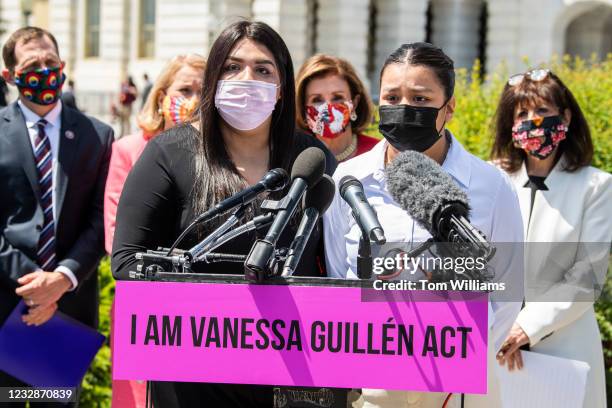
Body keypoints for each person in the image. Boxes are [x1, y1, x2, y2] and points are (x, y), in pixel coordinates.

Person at [111, 20, 336, 407]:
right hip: (193, 372)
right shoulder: (169, 153)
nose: (246, 79)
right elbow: (127, 260)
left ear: (281, 89)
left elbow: (336, 263)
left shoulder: (312, 160)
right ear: (213, 79)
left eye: (263, 69)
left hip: (293, 372)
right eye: (232, 67)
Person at [323, 42, 524, 407]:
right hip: (371, 386)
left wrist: (459, 359)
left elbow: (506, 291)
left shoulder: (491, 187)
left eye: (420, 99)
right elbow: (339, 275)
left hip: (458, 387)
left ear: (449, 107)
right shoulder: (348, 180)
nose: (404, 109)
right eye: (392, 97)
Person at [0, 26, 113, 401]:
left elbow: (100, 221)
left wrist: (61, 280)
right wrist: (36, 284)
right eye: (33, 64)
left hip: (69, 308)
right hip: (7, 303)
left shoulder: (98, 135)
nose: (45, 70)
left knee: (59, 401)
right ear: (10, 75)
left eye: (51, 61)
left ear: (63, 66)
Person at [491, 69, 610, 408]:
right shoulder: (494, 178)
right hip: (497, 342)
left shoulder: (596, 187)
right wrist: (503, 328)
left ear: (566, 116)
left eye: (543, 111)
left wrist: (527, 327)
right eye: (523, 114)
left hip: (565, 345)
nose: (534, 121)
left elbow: (587, 275)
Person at [104, 54, 205, 253]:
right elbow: (115, 232)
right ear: (161, 98)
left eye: (204, 92)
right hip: (146, 275)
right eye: (185, 90)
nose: (195, 101)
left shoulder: (216, 153)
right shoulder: (128, 150)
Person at [296, 54, 378, 162]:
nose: (328, 107)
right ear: (303, 108)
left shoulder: (378, 153)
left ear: (354, 103)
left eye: (337, 97)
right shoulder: (292, 157)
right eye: (317, 100)